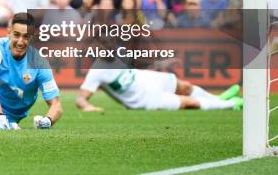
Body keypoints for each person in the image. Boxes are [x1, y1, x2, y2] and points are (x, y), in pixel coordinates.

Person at [76, 59, 242, 112]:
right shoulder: (96, 72)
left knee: (186, 86)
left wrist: (162, 63)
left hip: (149, 79)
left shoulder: (117, 54)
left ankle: (218, 98)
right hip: (145, 99)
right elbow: (81, 99)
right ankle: (230, 104)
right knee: (187, 102)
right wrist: (87, 107)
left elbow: (140, 63)